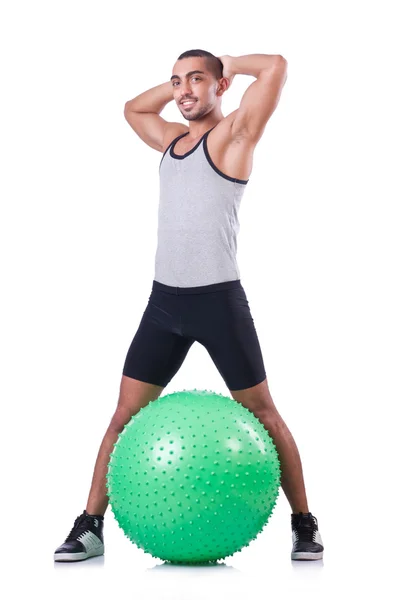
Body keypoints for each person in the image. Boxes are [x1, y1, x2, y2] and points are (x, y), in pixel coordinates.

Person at [54, 49, 324, 563]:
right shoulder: (172, 140)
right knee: (122, 417)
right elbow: (133, 109)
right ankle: (90, 526)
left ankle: (304, 524)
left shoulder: (234, 137)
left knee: (263, 412)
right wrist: (180, 83)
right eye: (177, 83)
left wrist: (223, 63)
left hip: (218, 302)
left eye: (196, 81)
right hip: (163, 305)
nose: (183, 91)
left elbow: (276, 67)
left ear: (222, 87)